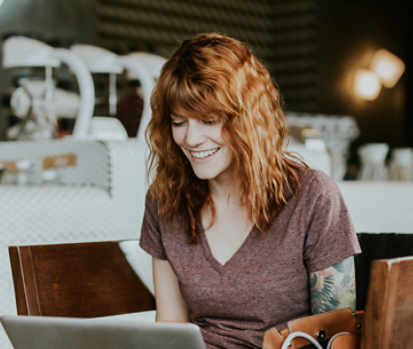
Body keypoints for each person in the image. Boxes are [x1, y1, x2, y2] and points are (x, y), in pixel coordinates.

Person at [139, 33, 361, 349]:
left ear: (247, 119)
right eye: (178, 122)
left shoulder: (313, 197)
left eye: (209, 120)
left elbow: (339, 338)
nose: (191, 139)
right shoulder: (164, 200)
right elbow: (170, 330)